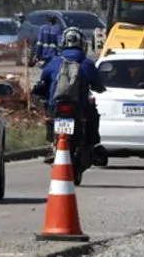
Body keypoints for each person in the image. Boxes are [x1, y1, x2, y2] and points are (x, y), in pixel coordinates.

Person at [32, 27, 106, 164]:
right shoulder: (87, 63)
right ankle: (94, 145)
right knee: (93, 116)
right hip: (80, 105)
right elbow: (98, 85)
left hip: (56, 105)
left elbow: (43, 80)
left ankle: (52, 145)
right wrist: (100, 88)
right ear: (83, 44)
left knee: (50, 118)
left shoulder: (54, 61)